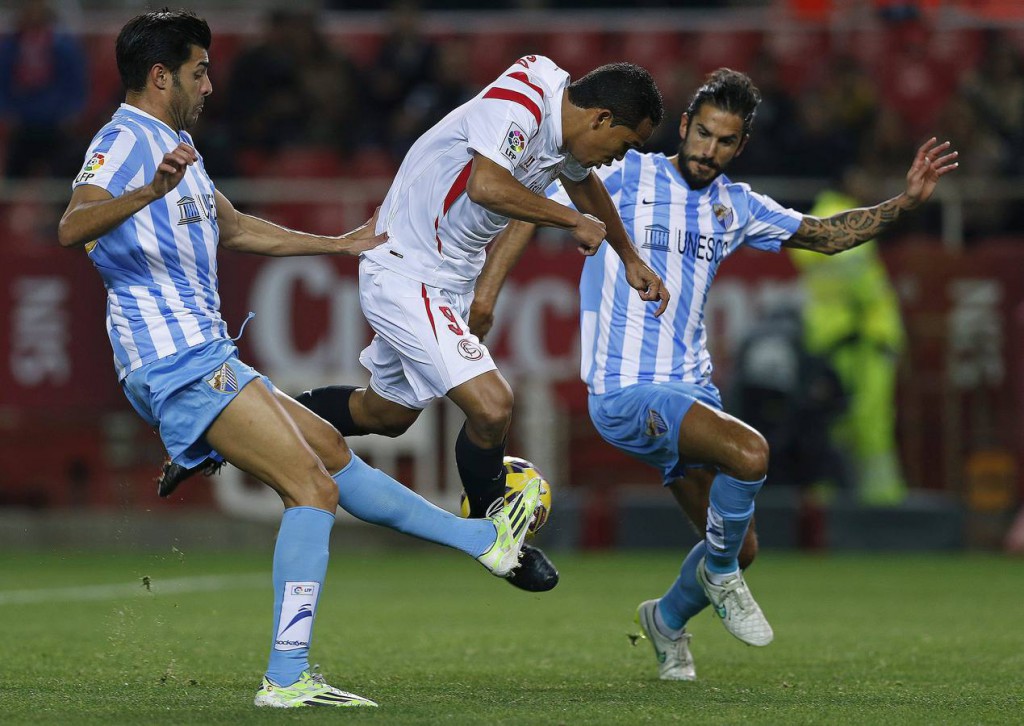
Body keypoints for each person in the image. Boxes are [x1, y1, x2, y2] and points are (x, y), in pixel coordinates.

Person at [58, 10, 541, 708]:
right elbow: (73, 224)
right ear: (160, 76)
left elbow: (236, 227)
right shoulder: (125, 142)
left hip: (203, 352)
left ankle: (481, 541)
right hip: (174, 358)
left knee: (330, 452)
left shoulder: (173, 146)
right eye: (199, 71)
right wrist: (148, 192)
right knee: (310, 490)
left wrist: (338, 244)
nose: (210, 85)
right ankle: (286, 678)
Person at [469, 68, 957, 680]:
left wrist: (905, 203)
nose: (708, 150)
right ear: (684, 126)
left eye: (725, 141)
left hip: (692, 388)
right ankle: (720, 577)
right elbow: (529, 212)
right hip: (625, 390)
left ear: (740, 146)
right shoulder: (627, 172)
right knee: (750, 455)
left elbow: (826, 237)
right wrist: (486, 296)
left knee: (740, 545)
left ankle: (667, 620)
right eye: (702, 133)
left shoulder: (737, 206)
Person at [160, 55, 669, 593]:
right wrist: (571, 221)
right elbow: (487, 187)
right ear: (602, 119)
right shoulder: (519, 106)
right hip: (406, 270)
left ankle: (221, 430)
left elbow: (582, 181)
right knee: (493, 405)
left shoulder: (563, 125)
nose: (619, 159)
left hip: (445, 278)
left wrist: (629, 256)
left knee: (385, 414)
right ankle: (498, 536)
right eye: (626, 145)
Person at [790, 168, 908, 506]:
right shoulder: (840, 214)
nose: (871, 184)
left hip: (836, 338)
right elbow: (856, 276)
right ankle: (880, 505)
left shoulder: (817, 214)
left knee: (832, 425)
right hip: (857, 340)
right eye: (864, 176)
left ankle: (829, 507)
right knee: (869, 427)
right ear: (847, 178)